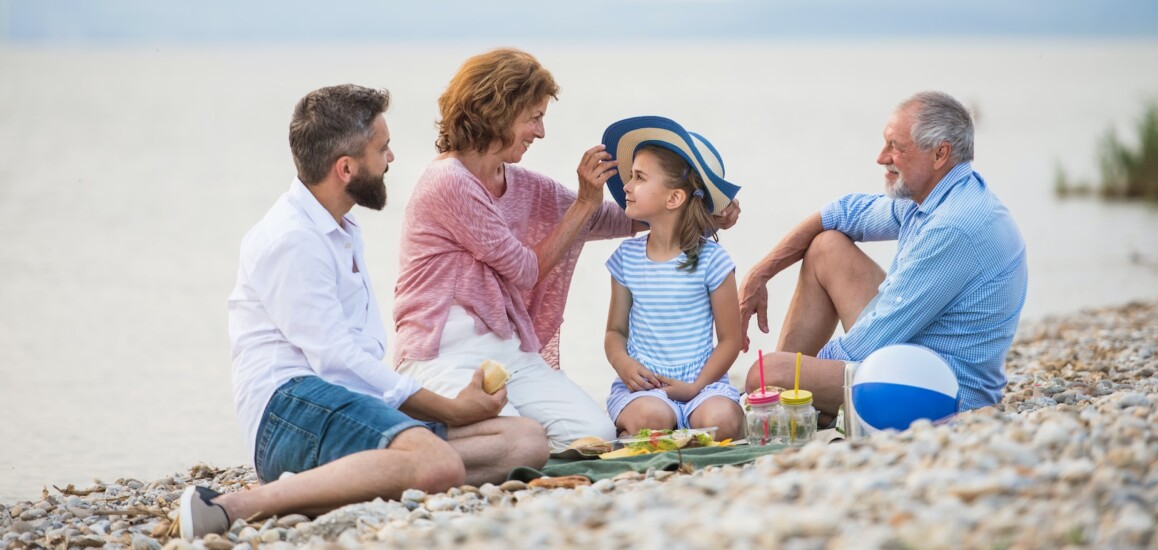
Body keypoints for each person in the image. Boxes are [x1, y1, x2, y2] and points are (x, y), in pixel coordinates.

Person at [179, 84, 548, 540]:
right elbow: (335, 361)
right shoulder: (291, 238)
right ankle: (231, 506)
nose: (391, 158)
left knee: (524, 441)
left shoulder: (341, 226)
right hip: (290, 412)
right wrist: (449, 410)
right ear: (346, 168)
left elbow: (356, 365)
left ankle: (346, 481)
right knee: (436, 463)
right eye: (382, 148)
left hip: (348, 406)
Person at [391, 48, 741, 448]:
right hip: (443, 350)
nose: (540, 132)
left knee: (597, 436)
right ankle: (414, 428)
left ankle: (483, 434)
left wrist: (706, 210)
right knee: (518, 439)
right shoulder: (448, 181)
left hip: (507, 349)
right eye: (534, 117)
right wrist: (584, 203)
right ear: (497, 112)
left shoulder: (523, 184)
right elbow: (524, 269)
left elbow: (615, 218)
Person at [739, 91, 1027, 427]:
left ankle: (783, 405)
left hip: (942, 390)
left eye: (895, 147)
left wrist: (793, 373)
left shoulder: (953, 228)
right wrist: (760, 273)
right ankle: (791, 408)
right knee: (826, 247)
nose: (880, 157)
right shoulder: (935, 195)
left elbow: (869, 343)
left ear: (940, 153)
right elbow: (843, 213)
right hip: (914, 354)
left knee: (765, 372)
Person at [600, 116, 745, 442]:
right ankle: (655, 427)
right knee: (654, 417)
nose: (626, 187)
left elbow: (729, 340)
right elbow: (615, 330)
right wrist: (622, 364)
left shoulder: (713, 261)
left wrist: (696, 386)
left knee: (721, 419)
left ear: (674, 198)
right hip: (646, 388)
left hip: (703, 383)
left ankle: (677, 430)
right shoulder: (627, 258)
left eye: (638, 178)